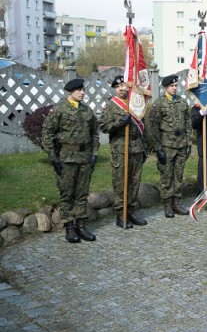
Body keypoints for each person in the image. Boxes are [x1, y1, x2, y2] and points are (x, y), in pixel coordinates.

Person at [42, 78, 99, 243]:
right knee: (67, 193)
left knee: (82, 193)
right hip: (66, 158)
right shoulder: (59, 110)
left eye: (83, 89)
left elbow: (95, 133)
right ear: (70, 92)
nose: (82, 92)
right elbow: (47, 132)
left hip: (84, 157)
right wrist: (53, 157)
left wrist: (94, 153)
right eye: (79, 90)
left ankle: (81, 225)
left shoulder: (87, 111)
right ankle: (69, 227)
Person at [99, 75, 147, 229]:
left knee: (134, 181)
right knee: (121, 182)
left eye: (123, 86)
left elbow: (144, 126)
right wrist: (118, 123)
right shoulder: (111, 105)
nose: (121, 89)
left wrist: (145, 147)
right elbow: (104, 126)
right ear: (114, 89)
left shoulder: (135, 104)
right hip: (121, 148)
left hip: (136, 147)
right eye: (118, 87)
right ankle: (121, 214)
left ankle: (131, 212)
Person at [148, 74, 192, 218]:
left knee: (178, 175)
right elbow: (153, 127)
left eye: (175, 85)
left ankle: (176, 203)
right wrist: (158, 147)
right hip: (166, 145)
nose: (174, 88)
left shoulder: (181, 102)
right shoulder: (159, 103)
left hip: (180, 144)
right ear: (165, 87)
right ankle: (167, 204)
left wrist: (188, 142)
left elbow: (187, 123)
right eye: (171, 86)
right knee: (166, 176)